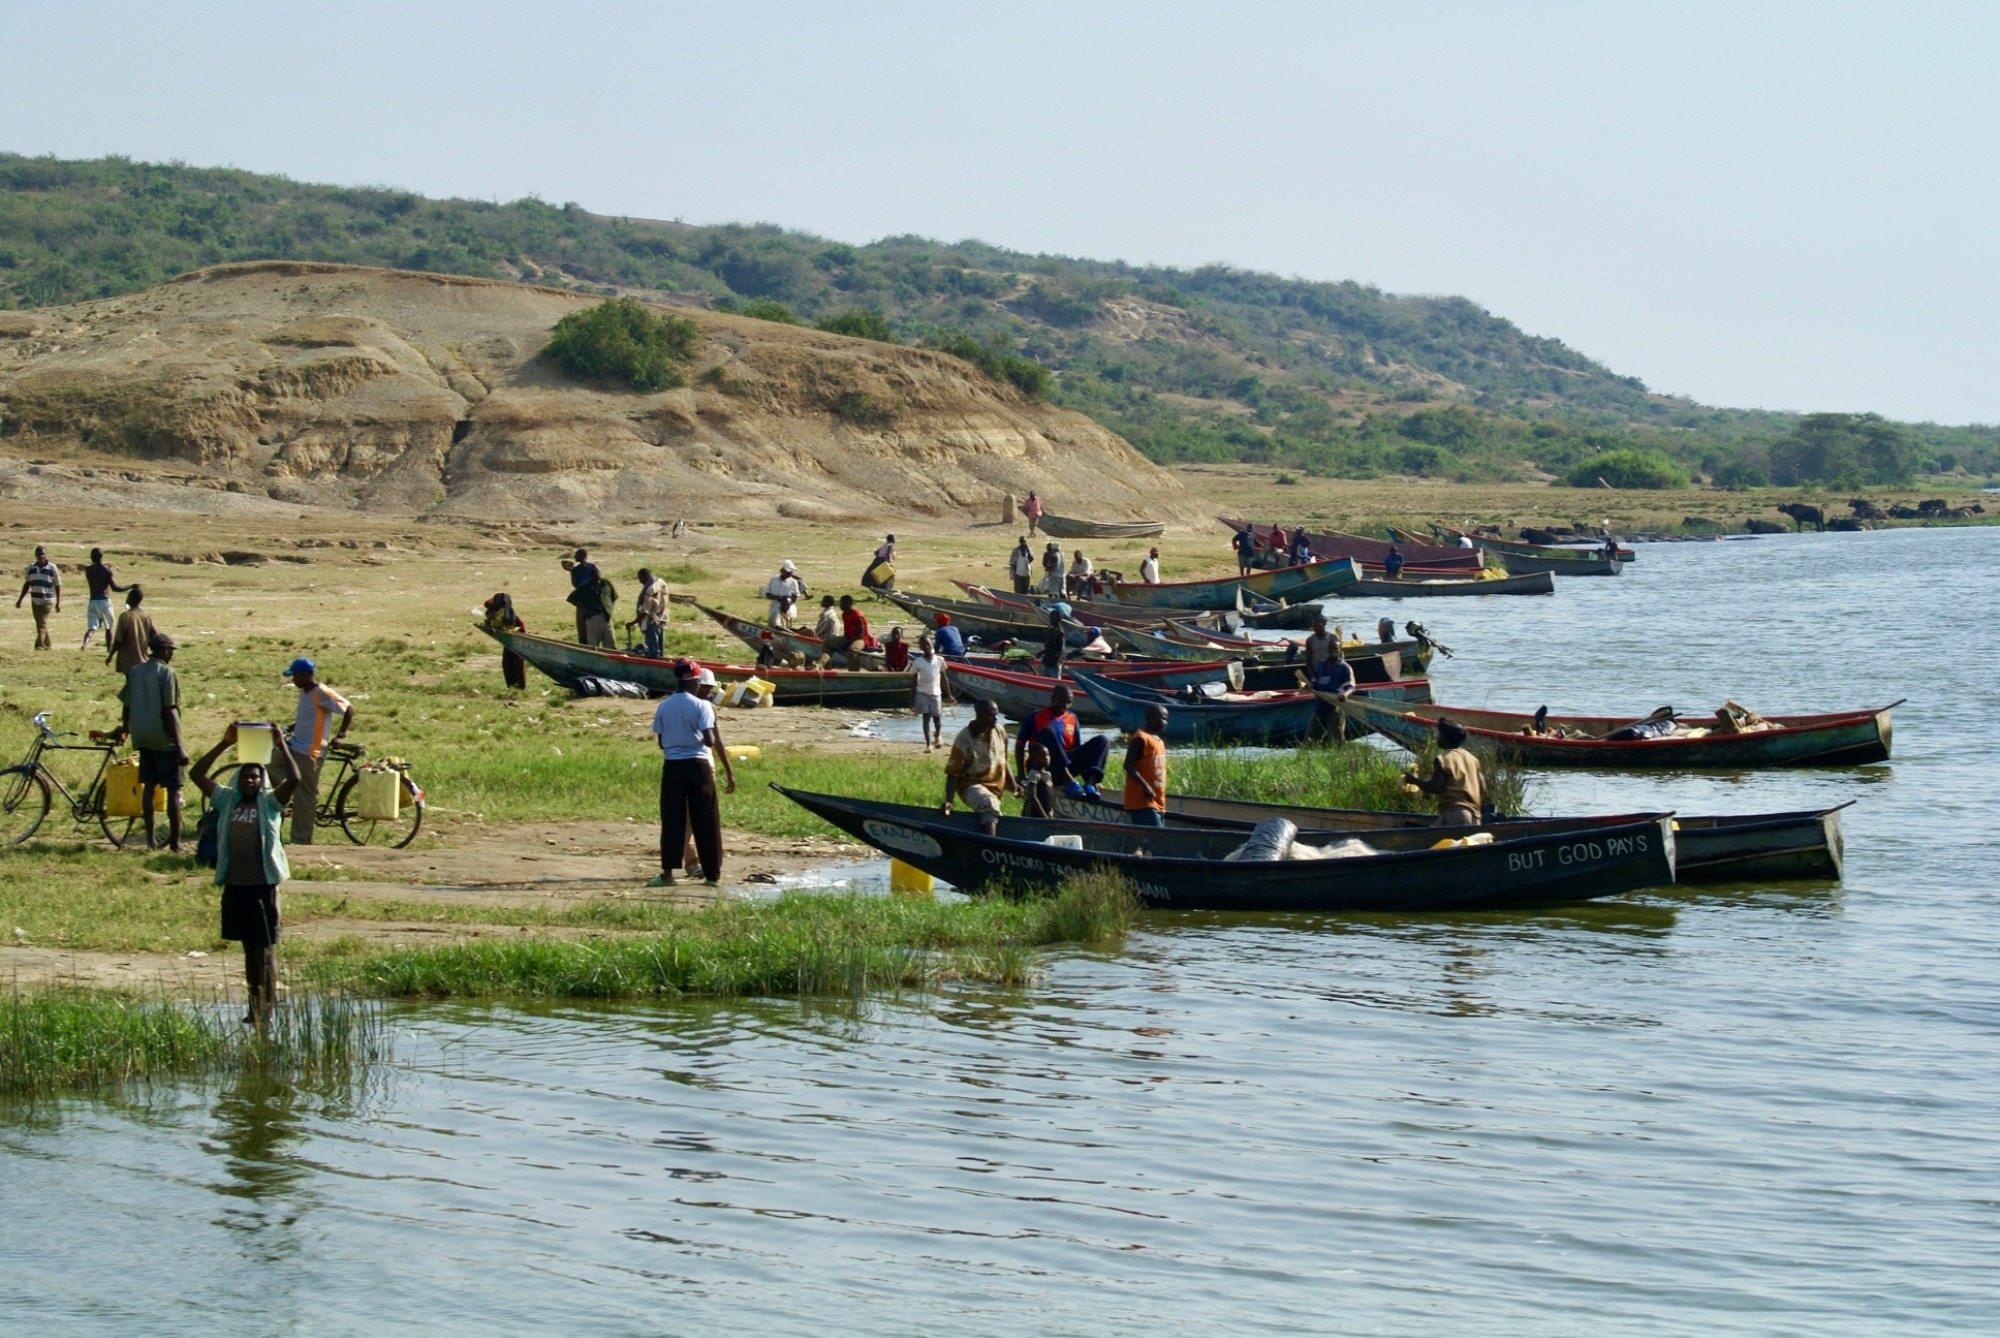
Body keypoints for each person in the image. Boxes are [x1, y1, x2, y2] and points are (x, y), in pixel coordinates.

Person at [191, 726, 302, 1031]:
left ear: (261, 780)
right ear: (238, 780)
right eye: (245, 777)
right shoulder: (227, 801)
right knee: (248, 952)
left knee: (265, 951)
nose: (250, 781)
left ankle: (268, 1011)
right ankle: (254, 1009)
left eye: (255, 777)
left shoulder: (271, 803)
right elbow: (197, 775)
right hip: (235, 885)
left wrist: (281, 745)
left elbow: (294, 779)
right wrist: (223, 743)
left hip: (263, 886)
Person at [649, 662, 736, 886]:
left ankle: (668, 874)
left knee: (672, 819)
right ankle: (712, 875)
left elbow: (661, 743)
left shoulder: (664, 706)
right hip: (699, 766)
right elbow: (709, 740)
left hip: (673, 766)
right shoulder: (702, 706)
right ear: (695, 681)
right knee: (706, 819)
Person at [113, 631, 187, 851]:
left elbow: (126, 705)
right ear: (163, 651)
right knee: (174, 790)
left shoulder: (135, 671)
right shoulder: (166, 673)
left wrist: (127, 728)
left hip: (142, 737)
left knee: (149, 787)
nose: (172, 655)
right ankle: (175, 844)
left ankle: (150, 841)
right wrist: (180, 747)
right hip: (163, 739)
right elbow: (169, 710)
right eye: (171, 651)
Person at [282, 656, 353, 846]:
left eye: (295, 676)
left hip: (310, 752)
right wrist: (291, 728)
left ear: (305, 674)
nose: (293, 680)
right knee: (268, 771)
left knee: (304, 796)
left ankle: (300, 840)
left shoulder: (322, 692)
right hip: (294, 746)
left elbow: (348, 709)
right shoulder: (305, 692)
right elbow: (308, 717)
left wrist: (340, 735)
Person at [1017, 684, 1111, 798]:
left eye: (1069, 702)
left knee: (1103, 740)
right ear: (1053, 699)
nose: (1065, 706)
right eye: (1062, 701)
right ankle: (1068, 781)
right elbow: (1019, 745)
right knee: (1047, 731)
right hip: (1044, 768)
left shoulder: (1072, 718)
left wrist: (1087, 776)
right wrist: (1021, 774)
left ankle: (1090, 783)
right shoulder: (1034, 717)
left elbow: (1077, 751)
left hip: (1066, 765)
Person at [942, 697, 1012, 837]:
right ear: (979, 715)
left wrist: (1014, 785)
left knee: (1036, 792)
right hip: (971, 785)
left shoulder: (999, 731)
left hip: (996, 784)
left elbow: (1003, 759)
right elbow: (953, 773)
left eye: (996, 714)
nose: (995, 718)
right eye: (991, 715)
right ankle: (990, 844)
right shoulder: (964, 738)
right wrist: (949, 800)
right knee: (989, 803)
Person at [1404, 718, 1484, 827]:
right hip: (1476, 817)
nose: (1437, 737)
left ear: (1446, 739)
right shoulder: (1473, 759)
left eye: (1439, 735)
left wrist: (1413, 780)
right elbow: (1483, 788)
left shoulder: (1443, 758)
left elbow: (1435, 787)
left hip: (1456, 815)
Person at [1123, 704, 1170, 827]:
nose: (1166, 723)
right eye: (1163, 719)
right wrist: (1145, 786)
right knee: (1154, 836)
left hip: (1158, 802)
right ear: (1152, 718)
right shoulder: (1141, 738)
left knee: (1157, 836)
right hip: (1143, 803)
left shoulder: (1159, 741)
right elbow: (1128, 764)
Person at [80, 548, 128, 651]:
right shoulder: (106, 570)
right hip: (105, 601)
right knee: (108, 627)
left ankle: (85, 643)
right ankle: (108, 649)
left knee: (91, 627)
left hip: (93, 601)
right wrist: (130, 586)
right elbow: (115, 588)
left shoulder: (88, 570)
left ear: (92, 557)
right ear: (102, 557)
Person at [16, 545, 60, 651]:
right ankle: (48, 645)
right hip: (35, 601)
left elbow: (57, 585)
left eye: (43, 554)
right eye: (39, 554)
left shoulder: (52, 568)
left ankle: (38, 645)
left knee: (42, 623)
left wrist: (58, 602)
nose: (41, 556)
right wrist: (20, 599)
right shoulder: (31, 568)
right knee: (40, 624)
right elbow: (27, 584)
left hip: (47, 601)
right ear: (35, 555)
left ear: (46, 555)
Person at [912, 632, 949, 752]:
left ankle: (937, 735)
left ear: (932, 644)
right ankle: (928, 745)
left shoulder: (939, 660)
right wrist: (911, 698)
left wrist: (949, 695)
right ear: (920, 647)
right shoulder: (918, 662)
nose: (926, 647)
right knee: (926, 719)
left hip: (936, 693)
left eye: (928, 644)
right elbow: (913, 681)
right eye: (923, 645)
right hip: (922, 693)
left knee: (937, 720)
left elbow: (944, 678)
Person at [106, 586, 155, 675]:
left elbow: (118, 641)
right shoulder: (146, 616)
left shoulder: (125, 616)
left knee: (131, 682)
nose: (127, 598)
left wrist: (110, 655)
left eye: (128, 596)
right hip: (143, 659)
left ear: (132, 598)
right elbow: (155, 635)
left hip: (129, 661)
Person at [483, 593, 528, 690]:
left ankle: (520, 686)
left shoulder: (508, 613)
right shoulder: (493, 611)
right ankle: (512, 685)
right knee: (507, 662)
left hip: (516, 638)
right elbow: (490, 620)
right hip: (507, 639)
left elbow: (520, 627)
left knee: (517, 661)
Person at [632, 567, 670, 659]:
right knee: (660, 651)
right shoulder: (661, 582)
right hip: (662, 618)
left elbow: (645, 612)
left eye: (640, 578)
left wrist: (633, 622)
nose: (640, 581)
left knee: (653, 653)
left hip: (652, 622)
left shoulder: (649, 591)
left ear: (645, 576)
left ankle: (653, 664)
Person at [763, 560, 808, 627]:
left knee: (785, 626)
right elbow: (768, 594)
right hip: (774, 607)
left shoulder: (793, 582)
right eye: (788, 571)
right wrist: (779, 598)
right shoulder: (774, 579)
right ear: (783, 570)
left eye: (791, 571)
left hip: (787, 608)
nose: (789, 573)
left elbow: (796, 596)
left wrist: (790, 600)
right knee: (774, 625)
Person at [1018, 739, 1056, 819]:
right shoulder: (1034, 774)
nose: (1046, 758)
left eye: (1048, 755)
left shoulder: (1048, 774)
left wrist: (1049, 811)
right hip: (1033, 814)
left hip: (1045, 813)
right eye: (1042, 756)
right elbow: (1033, 797)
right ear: (1033, 759)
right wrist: (1044, 816)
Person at [1039, 608, 1067, 678]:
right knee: (1043, 679)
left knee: (1055, 681)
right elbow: (1049, 646)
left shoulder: (1060, 632)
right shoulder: (1051, 630)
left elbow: (1061, 649)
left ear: (1058, 619)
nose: (1050, 619)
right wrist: (1042, 652)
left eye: (1052, 618)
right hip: (1047, 661)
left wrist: (1057, 661)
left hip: (1054, 663)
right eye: (1050, 617)